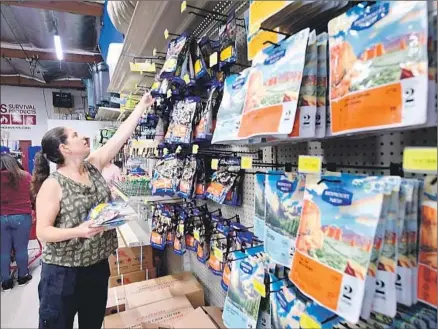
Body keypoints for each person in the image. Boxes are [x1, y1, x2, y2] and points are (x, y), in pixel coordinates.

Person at [31, 92, 154, 329]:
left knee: (92, 324)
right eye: (76, 135)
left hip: (96, 268)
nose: (84, 137)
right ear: (64, 148)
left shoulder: (94, 165)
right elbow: (43, 232)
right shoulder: (53, 185)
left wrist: (141, 106)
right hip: (62, 274)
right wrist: (79, 231)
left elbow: (119, 138)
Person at [0, 154, 33, 291]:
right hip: (22, 216)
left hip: (2, 217)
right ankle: (22, 276)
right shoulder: (25, 176)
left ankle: (6, 282)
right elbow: (33, 194)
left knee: (3, 251)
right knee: (21, 249)